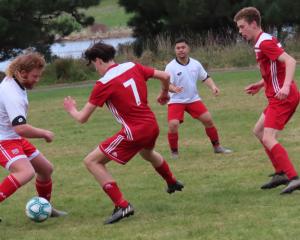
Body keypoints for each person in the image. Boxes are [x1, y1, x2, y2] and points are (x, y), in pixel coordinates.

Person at [63, 42, 184, 224]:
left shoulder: (103, 83)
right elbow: (165, 75)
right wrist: (165, 93)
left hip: (134, 131)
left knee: (91, 161)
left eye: (93, 64)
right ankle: (172, 181)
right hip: (151, 125)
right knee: (147, 153)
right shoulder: (132, 66)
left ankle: (122, 205)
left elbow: (82, 118)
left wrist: (72, 109)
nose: (95, 68)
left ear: (97, 60)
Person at [234, 7, 300, 194]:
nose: (240, 32)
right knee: (259, 131)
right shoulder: (262, 41)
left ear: (254, 24)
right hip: (278, 96)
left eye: (242, 27)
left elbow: (290, 61)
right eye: (239, 28)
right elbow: (274, 71)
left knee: (268, 137)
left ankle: (293, 177)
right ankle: (280, 173)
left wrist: (286, 87)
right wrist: (260, 84)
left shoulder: (264, 43)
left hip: (282, 97)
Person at [0, 53, 67, 221]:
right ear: (22, 72)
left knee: (46, 170)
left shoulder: (13, 81)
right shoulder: (11, 92)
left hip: (13, 137)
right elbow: (21, 128)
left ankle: (45, 206)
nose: (37, 80)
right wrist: (44, 133)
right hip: (3, 140)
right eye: (34, 76)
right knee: (25, 172)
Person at [165, 38, 232, 159]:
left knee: (208, 120)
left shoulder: (195, 64)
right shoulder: (171, 67)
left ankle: (217, 147)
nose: (181, 50)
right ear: (175, 50)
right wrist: (172, 88)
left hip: (193, 99)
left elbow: (205, 77)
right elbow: (166, 84)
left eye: (183, 47)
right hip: (176, 100)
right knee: (173, 125)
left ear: (188, 48)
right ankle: (174, 153)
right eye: (178, 48)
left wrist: (213, 86)